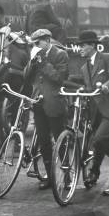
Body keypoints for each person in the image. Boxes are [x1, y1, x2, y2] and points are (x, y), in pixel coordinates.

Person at [78, 30, 109, 196]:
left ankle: (95, 172)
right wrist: (81, 90)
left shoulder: (107, 58)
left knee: (99, 139)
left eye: (83, 45)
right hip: (96, 112)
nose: (80, 48)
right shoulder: (84, 67)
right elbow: (90, 89)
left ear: (92, 45)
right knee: (107, 143)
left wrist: (107, 86)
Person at [23, 29, 69, 189]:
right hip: (39, 102)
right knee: (43, 141)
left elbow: (59, 78)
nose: (35, 46)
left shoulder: (60, 54)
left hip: (54, 103)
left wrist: (43, 62)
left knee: (60, 141)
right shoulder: (36, 55)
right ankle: (50, 178)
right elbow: (26, 77)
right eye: (33, 44)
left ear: (47, 40)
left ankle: (68, 178)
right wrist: (32, 62)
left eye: (38, 43)